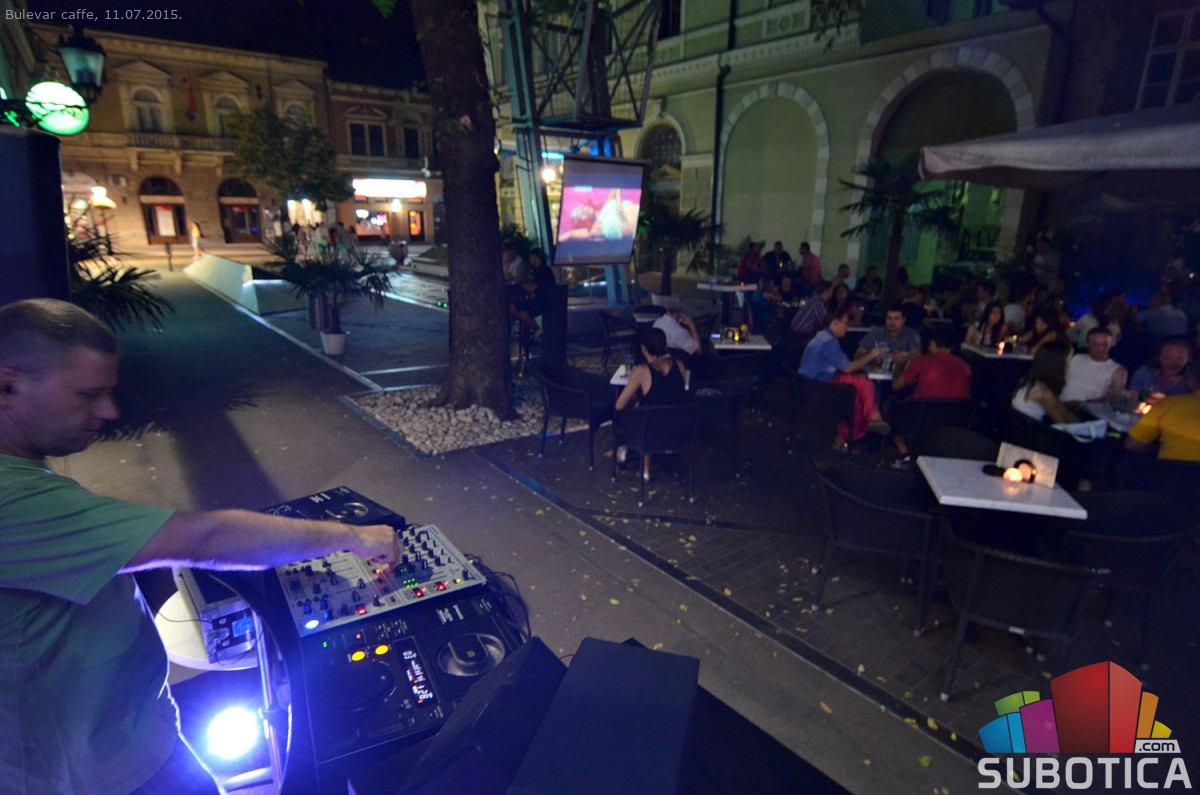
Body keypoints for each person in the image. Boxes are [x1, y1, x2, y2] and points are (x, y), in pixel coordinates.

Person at [0, 299, 403, 795]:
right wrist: (354, 537)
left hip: (137, 743)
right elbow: (203, 538)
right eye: (87, 394)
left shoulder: (21, 473)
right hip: (100, 777)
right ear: (8, 385)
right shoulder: (12, 499)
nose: (108, 411)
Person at [798, 308, 890, 439]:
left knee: (859, 386)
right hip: (819, 385)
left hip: (809, 383)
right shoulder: (829, 342)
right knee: (862, 383)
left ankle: (866, 424)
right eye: (845, 323)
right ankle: (870, 422)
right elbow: (848, 368)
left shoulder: (822, 337)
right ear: (835, 323)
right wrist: (871, 355)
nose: (847, 327)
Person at [615, 327, 690, 481]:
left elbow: (619, 405)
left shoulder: (642, 371)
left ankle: (626, 453)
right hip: (677, 432)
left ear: (644, 349)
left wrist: (636, 399)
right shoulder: (679, 365)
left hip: (650, 433)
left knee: (623, 415)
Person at [888, 327, 972, 456]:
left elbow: (896, 385)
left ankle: (904, 451)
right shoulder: (965, 366)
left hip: (922, 418)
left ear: (932, 343)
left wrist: (898, 364)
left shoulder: (922, 361)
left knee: (890, 406)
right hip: (956, 420)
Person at [1125, 363, 1200, 462]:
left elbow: (1132, 444)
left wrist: (1156, 448)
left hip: (1170, 469)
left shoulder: (1166, 404)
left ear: (1190, 381)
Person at [1011, 341, 1078, 424]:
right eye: (1069, 359)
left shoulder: (1028, 381)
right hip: (1032, 430)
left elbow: (1060, 408)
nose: (1071, 363)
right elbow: (1064, 425)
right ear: (1059, 363)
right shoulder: (1044, 393)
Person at [1059, 326, 1128, 405]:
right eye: (1095, 344)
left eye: (1104, 345)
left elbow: (1115, 397)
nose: (1100, 349)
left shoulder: (1117, 370)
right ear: (1088, 344)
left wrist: (1083, 404)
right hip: (1059, 404)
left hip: (1087, 408)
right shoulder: (1076, 358)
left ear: (1111, 344)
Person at [855, 302, 922, 367]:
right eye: (889, 318)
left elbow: (917, 356)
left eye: (896, 318)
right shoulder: (877, 332)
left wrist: (903, 359)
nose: (892, 322)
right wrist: (871, 357)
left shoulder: (911, 334)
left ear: (903, 320)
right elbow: (858, 354)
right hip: (876, 371)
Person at [651, 296, 701, 367]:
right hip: (683, 366)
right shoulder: (680, 332)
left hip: (660, 365)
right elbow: (698, 350)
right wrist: (692, 326)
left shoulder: (657, 323)